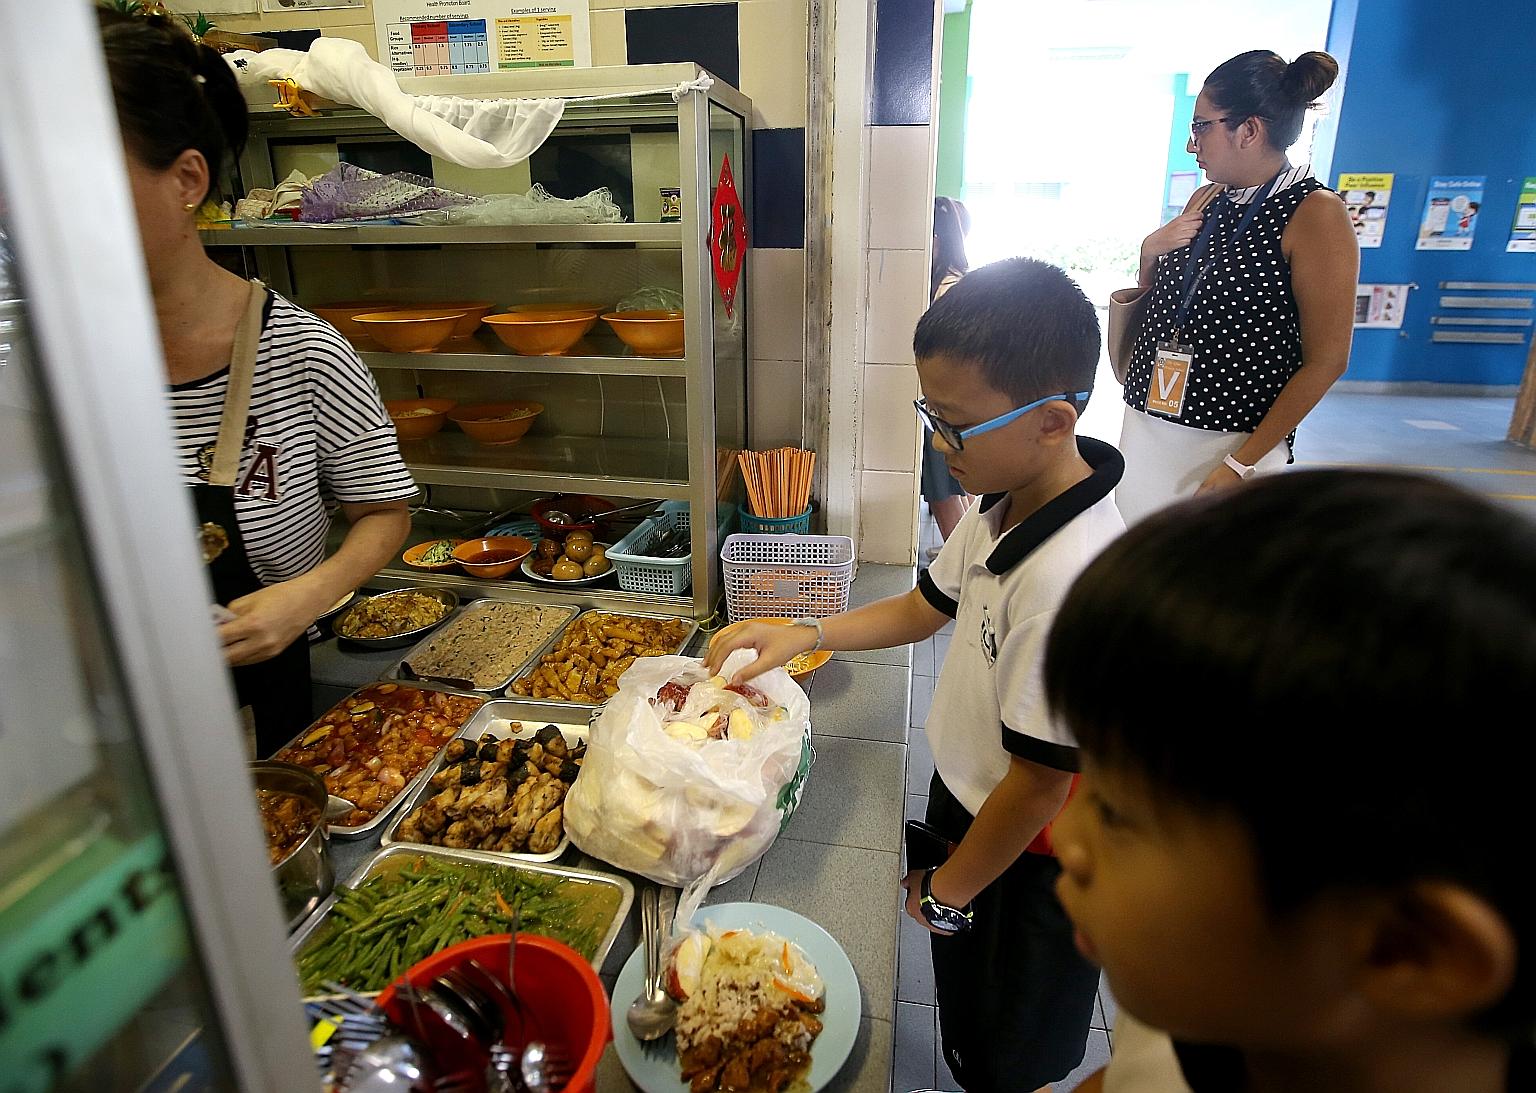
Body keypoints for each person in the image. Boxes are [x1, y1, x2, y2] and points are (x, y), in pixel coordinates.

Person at [707, 257, 1124, 1092]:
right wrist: (802, 630)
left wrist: (947, 890)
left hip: (1027, 854)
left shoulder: (1069, 579)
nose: (938, 444)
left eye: (955, 425)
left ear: (1054, 419)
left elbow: (1042, 785)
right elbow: (925, 606)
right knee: (969, 1006)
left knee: (1010, 1047)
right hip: (970, 799)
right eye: (930, 414)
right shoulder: (1006, 504)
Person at [1043, 471, 1536, 1093]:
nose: (1064, 837)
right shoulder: (1229, 1006)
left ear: (1405, 948)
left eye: (1116, 813)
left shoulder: (1224, 994)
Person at [101, 11, 416, 755]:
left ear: (186, 180)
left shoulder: (302, 353)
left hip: (265, 697)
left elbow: (385, 512)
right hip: (109, 714)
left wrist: (305, 596)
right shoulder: (52, 367)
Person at [1117, 50, 1358, 525]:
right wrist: (1149, 257)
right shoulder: (1206, 199)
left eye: (1201, 126)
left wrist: (1239, 463)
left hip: (1226, 445)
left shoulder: (1315, 213)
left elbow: (1327, 359)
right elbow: (1167, 305)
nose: (1193, 145)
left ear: (1248, 130)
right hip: (1148, 425)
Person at [922, 196, 973, 553]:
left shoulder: (948, 289)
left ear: (938, 238)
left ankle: (960, 564)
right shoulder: (957, 282)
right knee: (957, 485)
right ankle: (967, 553)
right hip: (957, 402)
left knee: (942, 489)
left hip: (946, 403)